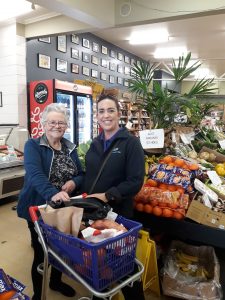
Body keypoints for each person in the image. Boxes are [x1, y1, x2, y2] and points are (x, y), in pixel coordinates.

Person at [17, 103, 84, 300]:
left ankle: (55, 281)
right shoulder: (33, 146)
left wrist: (74, 181)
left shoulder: (70, 147)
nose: (57, 126)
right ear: (44, 124)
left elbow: (81, 173)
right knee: (42, 253)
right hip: (39, 207)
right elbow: (35, 174)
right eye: (52, 122)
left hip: (64, 208)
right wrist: (52, 192)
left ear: (66, 126)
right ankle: (39, 294)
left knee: (62, 249)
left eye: (61, 122)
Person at [82, 93, 145, 300]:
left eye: (110, 110)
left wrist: (108, 195)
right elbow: (90, 174)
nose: (105, 115)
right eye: (101, 111)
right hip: (94, 213)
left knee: (123, 263)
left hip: (118, 215)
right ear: (96, 116)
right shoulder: (95, 143)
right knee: (99, 262)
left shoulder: (130, 143)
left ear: (119, 114)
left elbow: (135, 181)